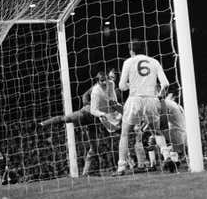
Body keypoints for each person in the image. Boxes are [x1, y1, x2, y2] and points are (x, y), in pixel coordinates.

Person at [40, 70, 122, 175]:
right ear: (99, 81)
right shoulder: (96, 89)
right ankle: (43, 124)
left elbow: (113, 106)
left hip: (96, 122)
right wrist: (87, 105)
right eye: (104, 80)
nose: (107, 82)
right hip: (86, 114)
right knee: (65, 119)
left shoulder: (112, 91)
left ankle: (86, 172)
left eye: (110, 78)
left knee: (94, 148)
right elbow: (84, 96)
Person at [116, 40, 172, 175]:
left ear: (131, 51)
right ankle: (167, 156)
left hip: (135, 99)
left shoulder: (128, 62)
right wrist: (158, 96)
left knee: (124, 134)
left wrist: (133, 85)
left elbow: (121, 86)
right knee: (156, 131)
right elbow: (165, 84)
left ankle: (121, 167)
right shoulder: (154, 62)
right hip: (151, 99)